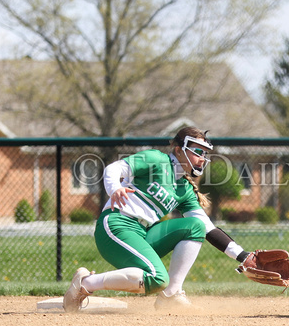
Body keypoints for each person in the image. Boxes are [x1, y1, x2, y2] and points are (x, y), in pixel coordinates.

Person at [63, 126, 252, 312]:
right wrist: (114, 189)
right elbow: (113, 168)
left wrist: (243, 257)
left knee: (195, 226)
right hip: (116, 224)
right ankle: (86, 282)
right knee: (158, 278)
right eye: (197, 151)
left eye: (205, 153)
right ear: (178, 150)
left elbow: (208, 228)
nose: (202, 158)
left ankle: (171, 295)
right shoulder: (156, 159)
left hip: (141, 233)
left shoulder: (184, 189)